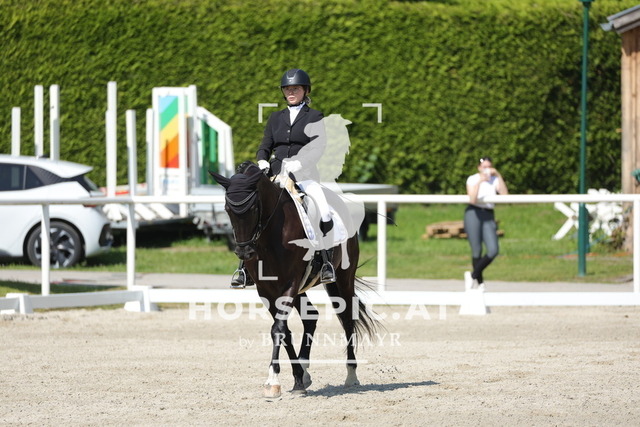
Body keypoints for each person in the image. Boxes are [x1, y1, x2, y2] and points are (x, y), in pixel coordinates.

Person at [230, 68, 335, 288]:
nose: (291, 92)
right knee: (253, 210)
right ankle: (244, 268)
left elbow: (318, 147)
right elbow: (265, 144)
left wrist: (300, 162)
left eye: (295, 88)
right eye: (287, 89)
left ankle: (325, 261)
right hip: (276, 175)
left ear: (305, 91)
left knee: (323, 210)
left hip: (304, 176)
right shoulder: (275, 117)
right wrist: (262, 160)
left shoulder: (315, 116)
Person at [463, 156, 508, 290]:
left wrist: (498, 175)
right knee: (476, 249)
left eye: (489, 167)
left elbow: (505, 195)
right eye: (484, 167)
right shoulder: (473, 179)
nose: (487, 169)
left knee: (493, 250)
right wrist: (480, 181)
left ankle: (473, 275)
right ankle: (480, 282)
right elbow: (472, 199)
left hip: (488, 213)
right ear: (479, 168)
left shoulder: (494, 179)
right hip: (474, 213)